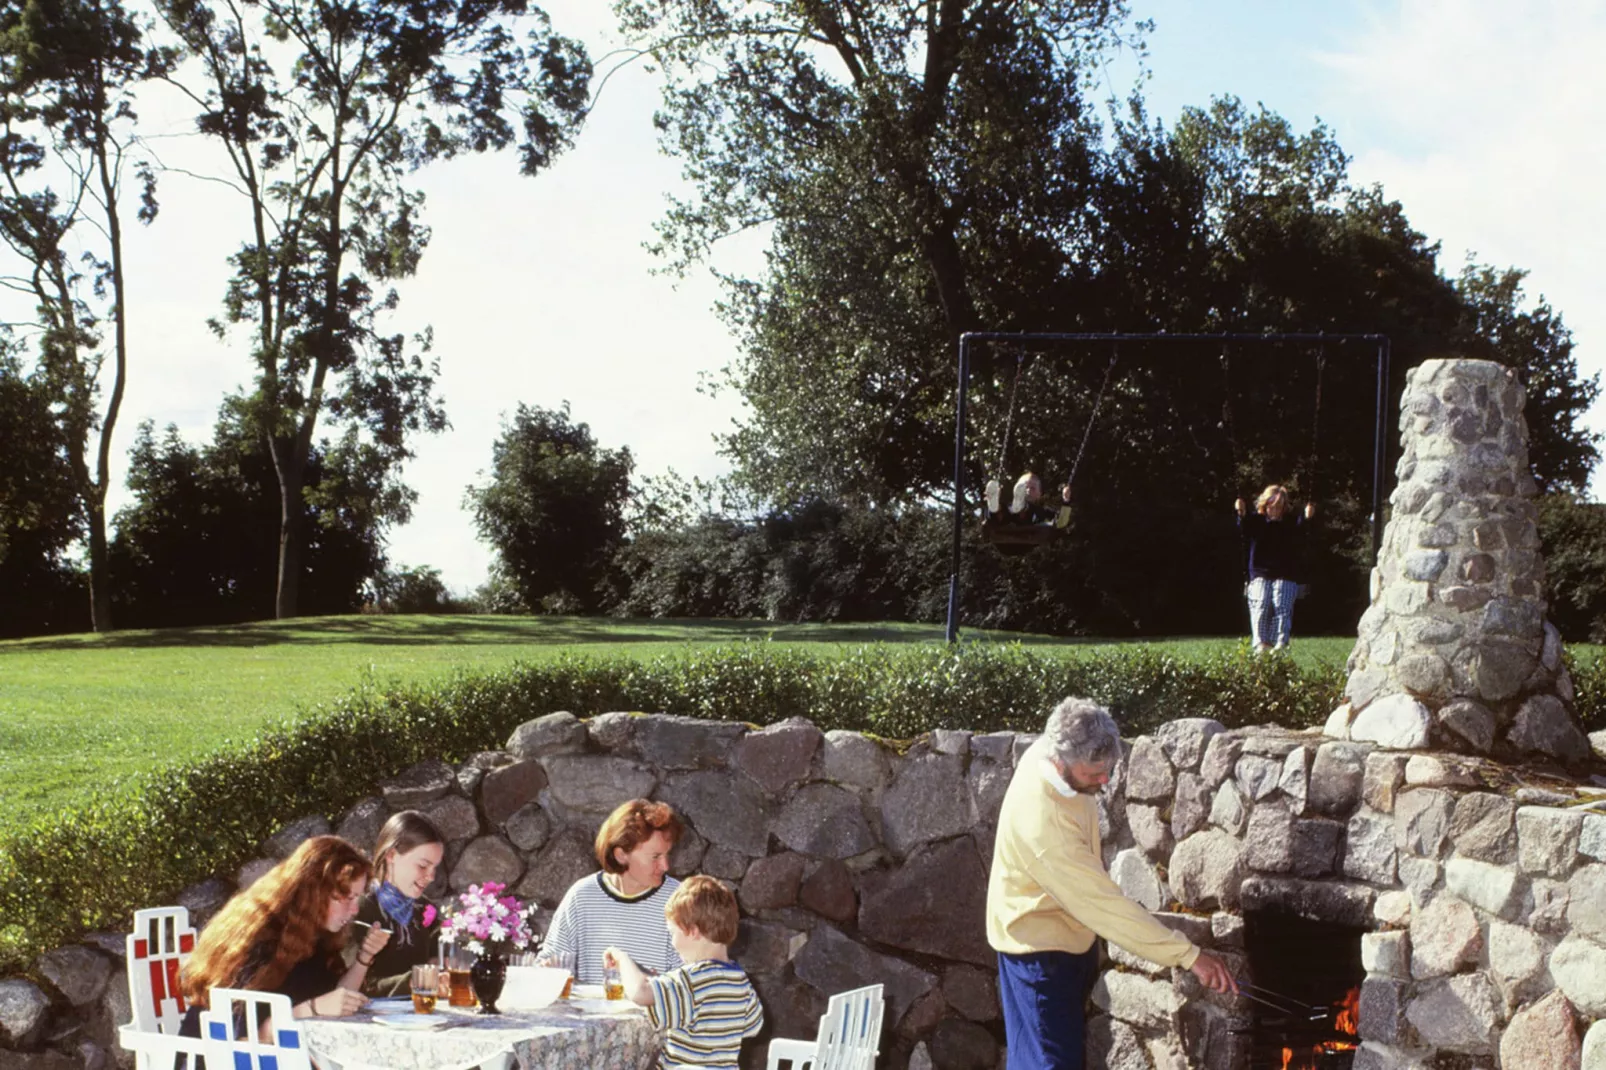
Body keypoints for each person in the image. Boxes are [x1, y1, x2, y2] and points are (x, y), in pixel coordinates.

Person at [987, 698, 1237, 1070]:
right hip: (1037, 950)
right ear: (1062, 760)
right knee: (1050, 1064)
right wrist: (1189, 956)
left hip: (1059, 936)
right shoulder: (1044, 823)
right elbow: (1106, 909)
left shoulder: (1052, 746)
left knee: (1039, 1057)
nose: (1104, 782)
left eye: (1108, 770)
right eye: (1093, 775)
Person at [178, 836, 389, 1064]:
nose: (354, 909)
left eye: (357, 897)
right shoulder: (257, 942)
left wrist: (364, 958)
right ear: (313, 893)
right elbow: (236, 1045)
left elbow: (337, 1000)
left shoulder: (313, 936)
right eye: (346, 898)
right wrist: (309, 1010)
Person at [606, 875, 763, 1070]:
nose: (672, 943)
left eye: (672, 933)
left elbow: (640, 992)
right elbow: (753, 1026)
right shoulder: (741, 982)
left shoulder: (691, 980)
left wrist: (623, 960)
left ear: (693, 931)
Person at [541, 798, 683, 983]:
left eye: (667, 854)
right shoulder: (582, 896)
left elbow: (687, 978)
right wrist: (548, 970)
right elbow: (551, 964)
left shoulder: (680, 900)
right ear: (621, 855)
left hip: (653, 1012)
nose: (665, 865)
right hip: (589, 1012)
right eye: (656, 856)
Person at [349, 810, 446, 995]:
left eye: (435, 867)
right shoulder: (359, 908)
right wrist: (415, 981)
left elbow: (438, 956)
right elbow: (356, 986)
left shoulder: (425, 910)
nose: (431, 877)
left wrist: (441, 965)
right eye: (423, 865)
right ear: (391, 855)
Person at [1235, 484, 1316, 652]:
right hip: (1260, 572)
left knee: (1282, 603)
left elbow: (1302, 530)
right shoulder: (1256, 521)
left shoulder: (1290, 523)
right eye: (1272, 505)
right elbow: (1244, 528)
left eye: (1280, 506)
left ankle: (1279, 643)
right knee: (1261, 602)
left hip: (1285, 573)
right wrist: (1241, 513)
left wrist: (1308, 517)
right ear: (1266, 504)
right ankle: (1261, 643)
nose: (1275, 509)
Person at [984, 472, 1073, 528]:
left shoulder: (1043, 511)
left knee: (1027, 510)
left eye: (1033, 488)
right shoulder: (1009, 506)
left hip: (1025, 531)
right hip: (1003, 525)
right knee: (1001, 510)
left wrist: (1066, 501)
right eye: (1025, 487)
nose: (1028, 490)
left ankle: (1021, 507)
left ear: (1039, 494)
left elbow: (1061, 523)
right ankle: (994, 505)